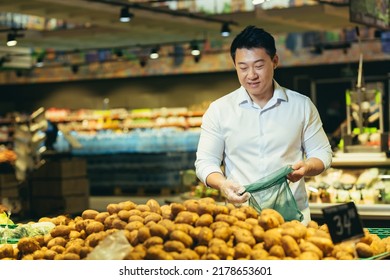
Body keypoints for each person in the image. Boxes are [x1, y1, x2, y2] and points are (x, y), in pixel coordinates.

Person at [195, 26, 332, 225]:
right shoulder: (219, 110)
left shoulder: (301, 105)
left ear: (274, 61)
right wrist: (222, 184)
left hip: (293, 221)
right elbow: (205, 162)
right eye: (243, 67)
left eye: (258, 65)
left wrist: (308, 166)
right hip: (241, 221)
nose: (251, 75)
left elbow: (323, 152)